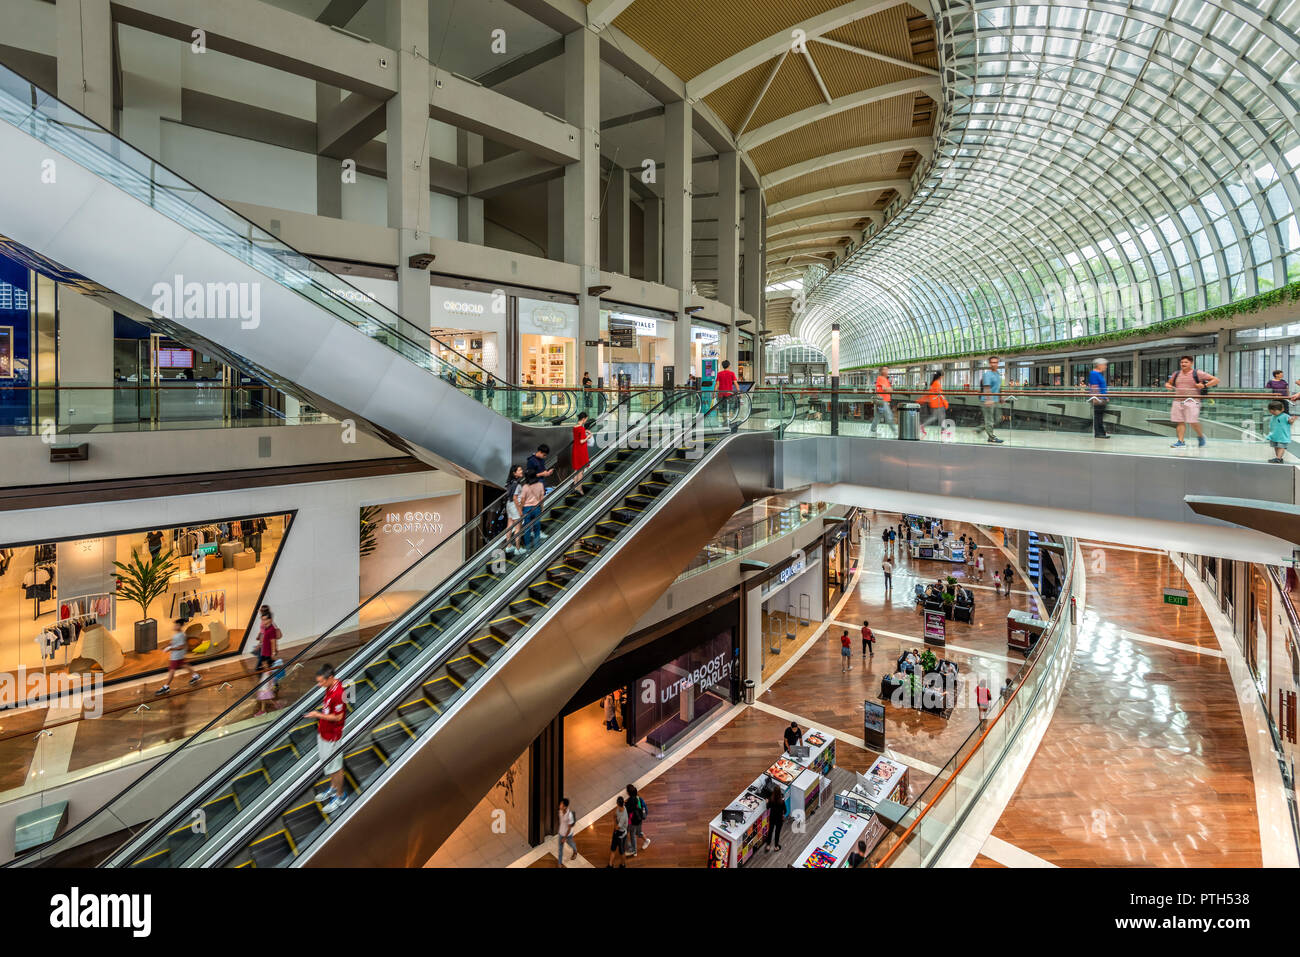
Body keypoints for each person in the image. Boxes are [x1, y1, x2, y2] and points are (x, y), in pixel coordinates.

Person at [309, 663, 348, 814]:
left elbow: (338, 716)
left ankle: (340, 796)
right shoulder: (330, 687)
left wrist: (317, 715)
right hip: (324, 733)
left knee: (336, 767)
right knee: (330, 765)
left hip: (332, 737)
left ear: (330, 678)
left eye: (321, 682)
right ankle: (333, 788)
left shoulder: (338, 692)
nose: (319, 685)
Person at [1165, 355, 1219, 448]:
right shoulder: (1176, 373)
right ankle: (1180, 441)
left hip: (1192, 401)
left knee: (1192, 421)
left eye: (1186, 362)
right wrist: (1168, 385)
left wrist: (1205, 386)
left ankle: (1200, 436)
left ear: (1191, 363)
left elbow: (1216, 380)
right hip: (1178, 400)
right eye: (1182, 362)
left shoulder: (1197, 373)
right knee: (1180, 421)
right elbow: (1168, 383)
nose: (1183, 364)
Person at [154, 617, 202, 695]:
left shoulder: (181, 635)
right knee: (184, 665)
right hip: (178, 656)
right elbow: (172, 642)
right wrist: (165, 646)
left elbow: (181, 647)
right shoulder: (178, 635)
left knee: (172, 670)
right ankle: (196, 675)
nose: (174, 627)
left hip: (176, 656)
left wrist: (170, 648)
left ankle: (166, 687)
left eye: (176, 625)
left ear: (179, 626)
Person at [976, 356, 1005, 444]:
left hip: (995, 400)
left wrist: (1000, 397)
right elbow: (987, 387)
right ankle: (991, 437)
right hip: (987, 400)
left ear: (998, 363)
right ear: (989, 363)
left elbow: (999, 387)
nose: (994, 364)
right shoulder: (987, 374)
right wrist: (988, 399)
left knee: (998, 418)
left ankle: (979, 429)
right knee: (989, 420)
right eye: (992, 362)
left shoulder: (997, 374)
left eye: (996, 362)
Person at [519, 469, 545, 549]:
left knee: (527, 529)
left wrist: (520, 510)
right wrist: (542, 508)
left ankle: (528, 548)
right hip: (537, 508)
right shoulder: (540, 485)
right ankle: (537, 546)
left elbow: (523, 500)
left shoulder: (525, 487)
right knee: (537, 528)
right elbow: (541, 498)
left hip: (527, 509)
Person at [503, 464, 525, 555]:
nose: (522, 471)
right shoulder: (517, 484)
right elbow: (515, 498)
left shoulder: (510, 482)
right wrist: (520, 510)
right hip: (515, 506)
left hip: (509, 504)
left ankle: (508, 547)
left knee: (509, 525)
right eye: (519, 470)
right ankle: (518, 548)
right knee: (517, 528)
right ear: (514, 473)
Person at [1088, 357, 1111, 439]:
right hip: (1098, 399)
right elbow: (1094, 387)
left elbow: (1101, 387)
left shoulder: (1098, 374)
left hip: (1101, 398)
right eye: (1104, 365)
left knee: (1100, 416)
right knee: (1098, 416)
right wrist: (1096, 399)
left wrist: (1105, 397)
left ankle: (1101, 432)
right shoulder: (1094, 373)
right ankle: (1099, 433)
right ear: (1099, 365)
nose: (1105, 366)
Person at [626, 784, 650, 853]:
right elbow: (645, 809)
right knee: (638, 832)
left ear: (628, 793)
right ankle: (646, 840)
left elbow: (628, 811)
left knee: (632, 834)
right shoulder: (639, 798)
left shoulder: (630, 801)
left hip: (633, 821)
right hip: (638, 819)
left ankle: (633, 850)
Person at [871, 366, 894, 436]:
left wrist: (888, 389)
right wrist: (888, 389)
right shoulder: (881, 378)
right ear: (881, 371)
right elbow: (887, 389)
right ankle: (895, 432)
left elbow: (890, 390)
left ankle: (873, 430)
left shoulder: (885, 379)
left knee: (878, 416)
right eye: (885, 369)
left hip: (884, 401)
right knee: (889, 416)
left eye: (887, 369)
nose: (887, 371)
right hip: (882, 401)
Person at [571, 412, 591, 494]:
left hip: (575, 449)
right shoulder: (581, 428)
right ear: (583, 419)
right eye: (586, 419)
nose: (586, 421)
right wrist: (588, 437)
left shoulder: (575, 427)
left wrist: (584, 431)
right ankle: (579, 488)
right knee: (581, 470)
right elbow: (582, 441)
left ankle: (575, 487)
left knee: (576, 470)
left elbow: (578, 436)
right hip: (581, 450)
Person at [556, 797, 578, 866]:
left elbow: (569, 828)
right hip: (561, 833)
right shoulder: (560, 811)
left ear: (565, 807)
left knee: (571, 844)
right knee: (560, 849)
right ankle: (559, 864)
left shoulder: (570, 816)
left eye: (561, 805)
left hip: (568, 835)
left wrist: (565, 837)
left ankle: (575, 851)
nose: (560, 806)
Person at [764, 784, 786, 853]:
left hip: (772, 817)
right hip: (779, 819)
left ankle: (768, 845)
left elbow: (768, 807)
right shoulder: (782, 801)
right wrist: (782, 814)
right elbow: (785, 811)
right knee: (777, 833)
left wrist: (767, 802)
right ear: (780, 792)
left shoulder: (771, 799)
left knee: (770, 831)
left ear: (773, 792)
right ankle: (776, 846)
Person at [608, 796, 629, 867]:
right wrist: (615, 818)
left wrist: (614, 820)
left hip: (621, 835)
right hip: (616, 832)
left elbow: (617, 827)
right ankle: (610, 865)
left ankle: (623, 864)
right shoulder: (619, 808)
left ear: (617, 803)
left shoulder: (623, 816)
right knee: (613, 848)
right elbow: (615, 814)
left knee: (621, 851)